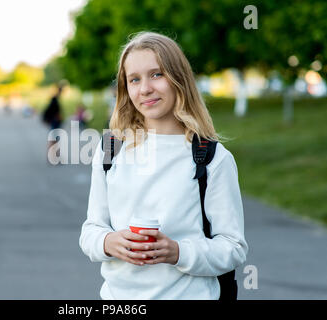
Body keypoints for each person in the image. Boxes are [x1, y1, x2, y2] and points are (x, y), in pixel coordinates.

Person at [79, 32, 248, 300]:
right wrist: (108, 242)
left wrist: (178, 252)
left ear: (178, 79)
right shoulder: (111, 148)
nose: (144, 88)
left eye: (156, 74)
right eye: (134, 79)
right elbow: (91, 230)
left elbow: (233, 248)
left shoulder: (212, 157)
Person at [43, 84, 64, 161]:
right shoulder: (55, 100)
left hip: (54, 122)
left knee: (54, 139)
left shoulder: (54, 99)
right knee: (54, 140)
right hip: (55, 122)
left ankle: (54, 156)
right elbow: (55, 112)